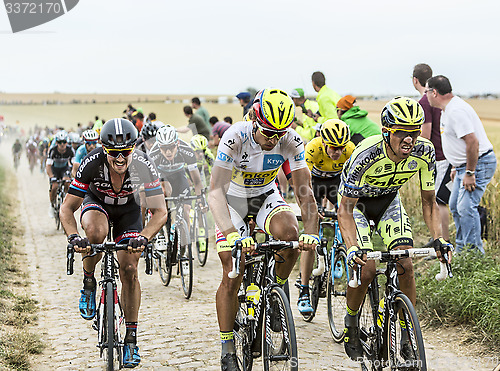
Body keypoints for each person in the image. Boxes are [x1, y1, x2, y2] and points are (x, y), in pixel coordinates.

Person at [208, 88, 319, 370]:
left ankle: (275, 293)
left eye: (279, 133)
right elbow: (215, 192)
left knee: (291, 236)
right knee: (233, 269)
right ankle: (227, 346)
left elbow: (304, 193)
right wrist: (231, 233)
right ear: (254, 120)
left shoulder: (291, 140)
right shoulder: (235, 136)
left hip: (265, 195)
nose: (273, 140)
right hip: (232, 198)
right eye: (268, 133)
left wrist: (312, 231)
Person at [337, 97, 452, 361]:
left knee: (406, 263)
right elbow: (344, 209)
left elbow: (428, 201)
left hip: (389, 202)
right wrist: (353, 247)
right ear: (387, 132)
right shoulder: (366, 154)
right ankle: (351, 322)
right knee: (365, 269)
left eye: (414, 132)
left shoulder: (425, 151)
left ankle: (407, 333)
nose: (409, 140)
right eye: (402, 132)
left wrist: (438, 239)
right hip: (358, 207)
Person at [60, 118, 167, 368]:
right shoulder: (91, 162)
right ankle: (89, 281)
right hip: (96, 204)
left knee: (129, 269)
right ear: (103, 149)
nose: (120, 159)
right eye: (114, 154)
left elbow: (160, 211)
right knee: (96, 233)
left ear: (133, 148)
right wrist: (74, 236)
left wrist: (144, 237)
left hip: (129, 212)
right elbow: (67, 209)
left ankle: (130, 340)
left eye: (125, 152)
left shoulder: (143, 164)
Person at [426, 75, 496, 254]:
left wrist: (470, 172)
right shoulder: (447, 109)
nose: (425, 95)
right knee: (456, 205)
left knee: (466, 207)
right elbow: (457, 144)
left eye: (427, 91)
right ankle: (463, 249)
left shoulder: (456, 110)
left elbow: (472, 142)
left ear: (434, 92)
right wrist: (456, 167)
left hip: (477, 164)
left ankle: (474, 254)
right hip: (462, 167)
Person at [297, 119, 355, 315]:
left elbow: (352, 182)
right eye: (333, 147)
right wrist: (312, 206)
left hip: (336, 183)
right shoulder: (312, 148)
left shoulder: (350, 149)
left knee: (347, 215)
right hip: (314, 181)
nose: (337, 152)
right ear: (323, 142)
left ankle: (339, 253)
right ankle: (304, 289)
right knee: (310, 235)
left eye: (341, 147)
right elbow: (302, 181)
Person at [412, 64, 451, 243]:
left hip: (438, 157)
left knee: (437, 201)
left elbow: (425, 135)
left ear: (415, 80)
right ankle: (439, 238)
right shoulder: (435, 99)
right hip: (447, 154)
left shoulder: (424, 102)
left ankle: (442, 241)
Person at [148, 125, 207, 225]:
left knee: (186, 210)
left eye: (171, 147)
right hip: (162, 176)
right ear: (159, 147)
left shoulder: (187, 151)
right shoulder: (153, 155)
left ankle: (185, 240)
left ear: (177, 143)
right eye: (164, 148)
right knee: (166, 190)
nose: (168, 152)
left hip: (179, 176)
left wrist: (200, 198)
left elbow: (196, 181)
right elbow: (149, 182)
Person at [46, 131, 74, 215]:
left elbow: (74, 165)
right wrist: (51, 176)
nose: (62, 144)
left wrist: (73, 176)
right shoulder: (53, 150)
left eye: (64, 142)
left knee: (67, 183)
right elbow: (48, 166)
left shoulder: (70, 150)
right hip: (54, 169)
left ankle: (65, 201)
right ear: (56, 143)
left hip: (64, 169)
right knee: (54, 187)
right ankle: (52, 205)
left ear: (67, 142)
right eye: (59, 142)